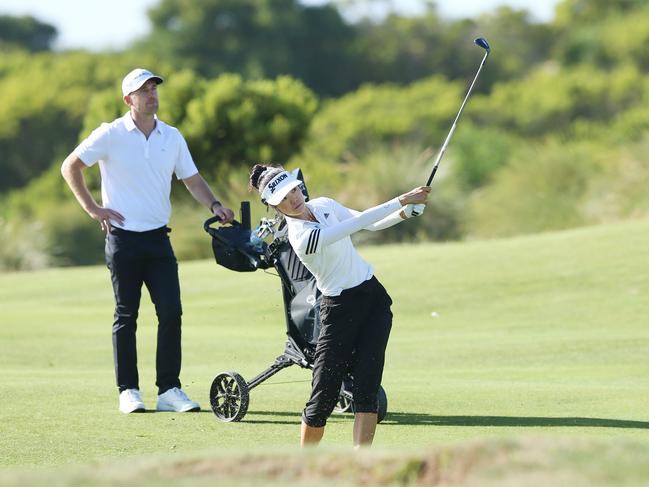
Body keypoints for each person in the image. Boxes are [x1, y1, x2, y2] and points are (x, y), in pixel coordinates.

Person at [61, 68, 235, 414]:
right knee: (127, 315)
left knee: (171, 312)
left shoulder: (171, 137)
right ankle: (128, 390)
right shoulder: (110, 134)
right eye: (144, 91)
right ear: (129, 99)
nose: (152, 95)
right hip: (123, 239)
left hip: (158, 240)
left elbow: (192, 179)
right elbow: (71, 167)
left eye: (154, 89)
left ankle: (169, 389)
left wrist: (215, 204)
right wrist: (93, 208)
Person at [249, 164, 430, 447]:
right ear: (275, 205)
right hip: (339, 310)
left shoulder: (322, 205)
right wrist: (401, 200)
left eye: (294, 190)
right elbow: (353, 227)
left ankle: (361, 467)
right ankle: (306, 469)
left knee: (367, 388)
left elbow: (367, 221)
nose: (294, 198)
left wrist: (404, 213)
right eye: (284, 197)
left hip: (373, 300)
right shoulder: (301, 237)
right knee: (323, 395)